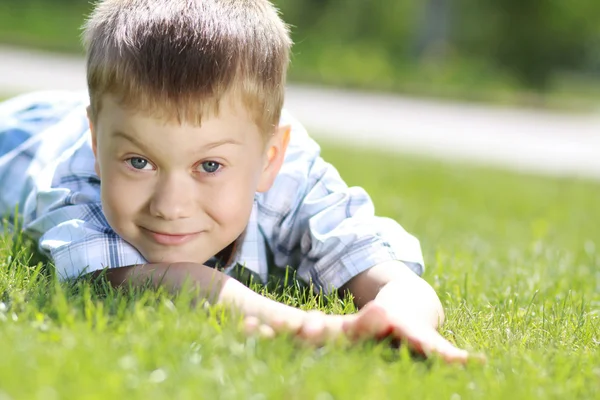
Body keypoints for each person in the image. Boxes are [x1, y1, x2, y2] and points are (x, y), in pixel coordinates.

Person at [0, 0, 475, 363]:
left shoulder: (295, 181)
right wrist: (302, 324)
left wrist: (401, 316)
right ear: (98, 145)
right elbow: (145, 281)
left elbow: (379, 261)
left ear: (269, 158)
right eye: (139, 162)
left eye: (209, 167)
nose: (170, 205)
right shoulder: (75, 181)